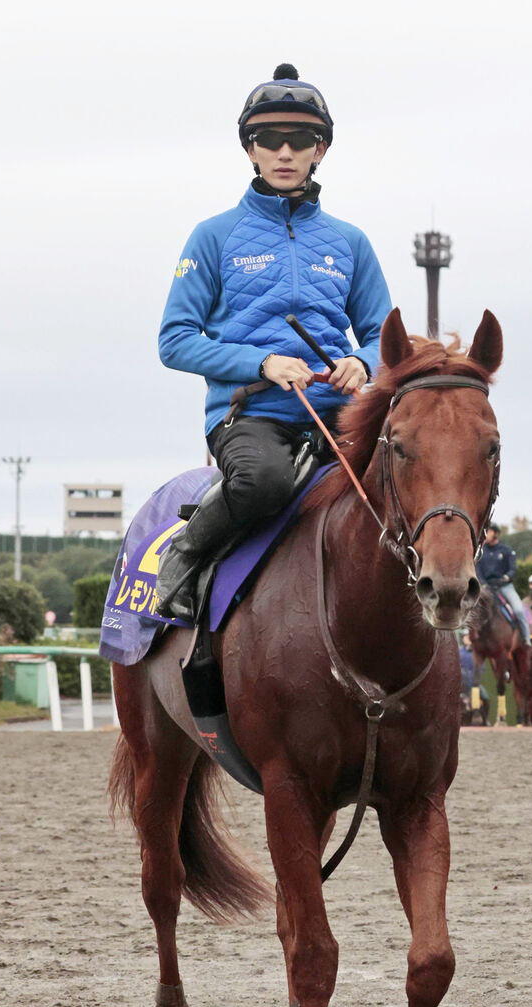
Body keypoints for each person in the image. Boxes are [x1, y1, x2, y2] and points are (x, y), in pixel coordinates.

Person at [155, 63, 392, 619]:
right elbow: (174, 340)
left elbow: (386, 337)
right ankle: (185, 554)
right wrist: (262, 364)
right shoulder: (212, 236)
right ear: (251, 149)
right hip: (250, 416)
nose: (285, 152)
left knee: (418, 476)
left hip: (341, 414)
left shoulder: (351, 242)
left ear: (321, 149)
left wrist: (362, 362)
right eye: (270, 140)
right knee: (263, 484)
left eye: (301, 140)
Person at [476, 523, 531, 645]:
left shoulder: (506, 550)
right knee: (471, 608)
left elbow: (512, 569)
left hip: (504, 586)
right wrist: (483, 584)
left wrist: (506, 578)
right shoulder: (481, 551)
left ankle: (526, 637)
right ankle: (470, 639)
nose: (485, 535)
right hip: (486, 588)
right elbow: (478, 570)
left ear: (496, 534)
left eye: (488, 532)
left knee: (518, 610)